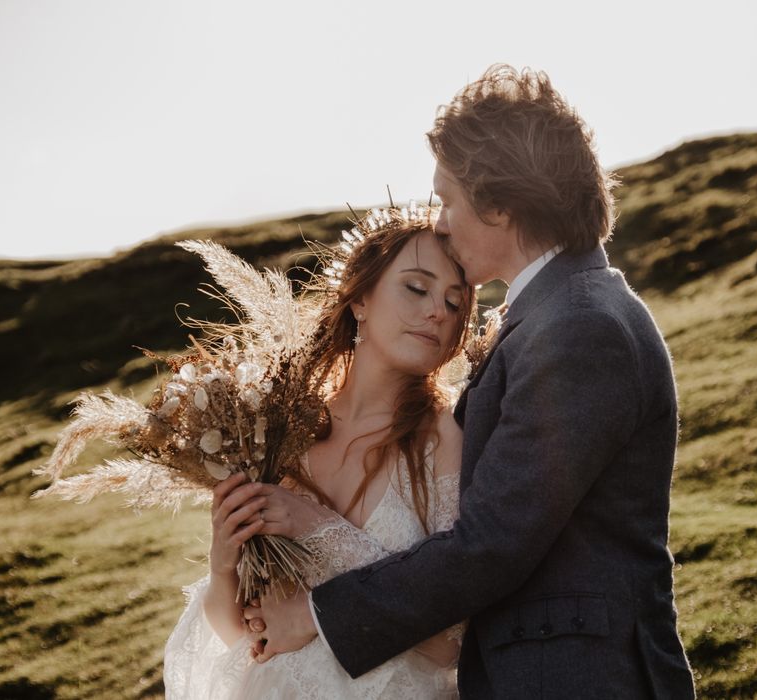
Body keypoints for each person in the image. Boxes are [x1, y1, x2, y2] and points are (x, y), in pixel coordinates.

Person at [245, 65, 697, 698]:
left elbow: (495, 543)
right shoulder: (558, 313)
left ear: (499, 202)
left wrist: (319, 614)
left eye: (448, 197)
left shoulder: (580, 327)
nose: (441, 221)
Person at [163, 208, 477, 698]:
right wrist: (222, 563)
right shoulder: (281, 437)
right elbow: (244, 638)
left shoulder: (442, 438)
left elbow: (447, 644)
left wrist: (314, 532)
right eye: (417, 288)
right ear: (360, 300)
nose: (438, 310)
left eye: (455, 303)